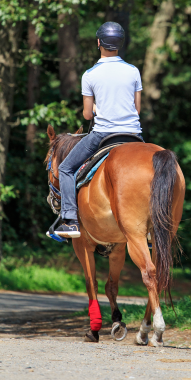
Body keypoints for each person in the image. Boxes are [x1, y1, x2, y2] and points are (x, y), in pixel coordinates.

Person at [52, 21, 143, 238]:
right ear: (120, 43)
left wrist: (95, 107)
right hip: (133, 134)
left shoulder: (90, 74)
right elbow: (137, 109)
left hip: (103, 135)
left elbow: (87, 115)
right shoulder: (133, 71)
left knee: (65, 168)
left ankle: (70, 221)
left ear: (99, 42)